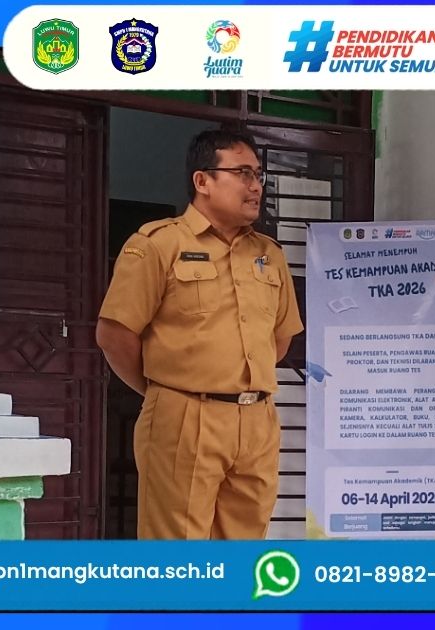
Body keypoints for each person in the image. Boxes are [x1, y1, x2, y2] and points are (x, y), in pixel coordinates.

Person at [95, 129, 303, 540]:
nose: (255, 186)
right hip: (185, 414)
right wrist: (166, 391)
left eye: (258, 175)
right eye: (243, 173)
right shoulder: (159, 244)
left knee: (244, 546)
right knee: (179, 550)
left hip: (257, 420)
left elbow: (279, 340)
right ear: (202, 180)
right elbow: (115, 334)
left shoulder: (269, 254)